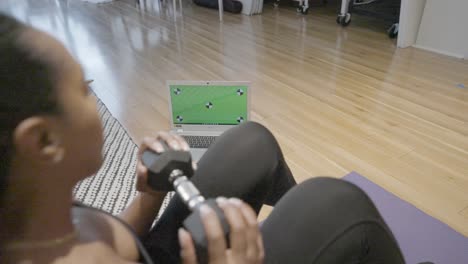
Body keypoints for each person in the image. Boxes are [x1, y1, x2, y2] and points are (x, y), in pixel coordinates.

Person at [0, 13, 405, 264]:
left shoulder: (28, 207)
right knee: (336, 203)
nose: (95, 93)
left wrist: (149, 197)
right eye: (85, 90)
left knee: (251, 142)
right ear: (43, 141)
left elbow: (109, 240)